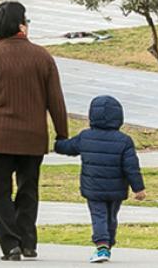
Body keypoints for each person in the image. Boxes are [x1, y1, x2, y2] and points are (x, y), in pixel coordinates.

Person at [0, 1, 70, 262]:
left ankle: (10, 245)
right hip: (33, 139)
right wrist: (62, 135)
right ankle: (28, 242)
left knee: (0, 193)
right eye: (26, 20)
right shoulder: (43, 57)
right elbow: (56, 101)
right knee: (28, 190)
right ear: (21, 25)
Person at [55, 96, 146, 264]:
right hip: (116, 189)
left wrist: (58, 143)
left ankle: (102, 245)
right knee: (111, 216)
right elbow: (131, 167)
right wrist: (138, 188)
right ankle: (108, 244)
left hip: (93, 188)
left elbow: (68, 147)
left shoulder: (85, 137)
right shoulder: (124, 141)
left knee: (99, 216)